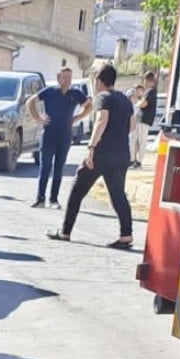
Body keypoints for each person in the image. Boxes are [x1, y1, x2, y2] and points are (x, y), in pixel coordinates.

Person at [48, 64, 135, 249]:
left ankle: (65, 231)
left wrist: (91, 147)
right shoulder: (125, 100)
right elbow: (132, 126)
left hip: (102, 153)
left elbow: (101, 121)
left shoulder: (102, 97)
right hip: (122, 153)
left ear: (99, 81)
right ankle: (126, 235)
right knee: (118, 194)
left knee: (77, 189)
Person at [27, 66, 91, 209]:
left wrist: (78, 117)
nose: (67, 80)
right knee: (45, 167)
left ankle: (54, 199)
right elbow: (30, 102)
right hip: (49, 134)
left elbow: (89, 105)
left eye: (69, 77)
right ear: (58, 78)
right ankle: (40, 198)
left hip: (65, 136)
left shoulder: (76, 94)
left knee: (58, 168)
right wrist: (37, 118)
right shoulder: (50, 92)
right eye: (64, 77)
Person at [132, 71, 158, 169]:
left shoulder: (150, 91)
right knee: (138, 140)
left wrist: (137, 104)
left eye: (146, 80)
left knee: (142, 140)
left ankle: (139, 160)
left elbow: (144, 103)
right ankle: (136, 159)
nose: (145, 82)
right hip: (141, 118)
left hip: (144, 118)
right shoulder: (148, 91)